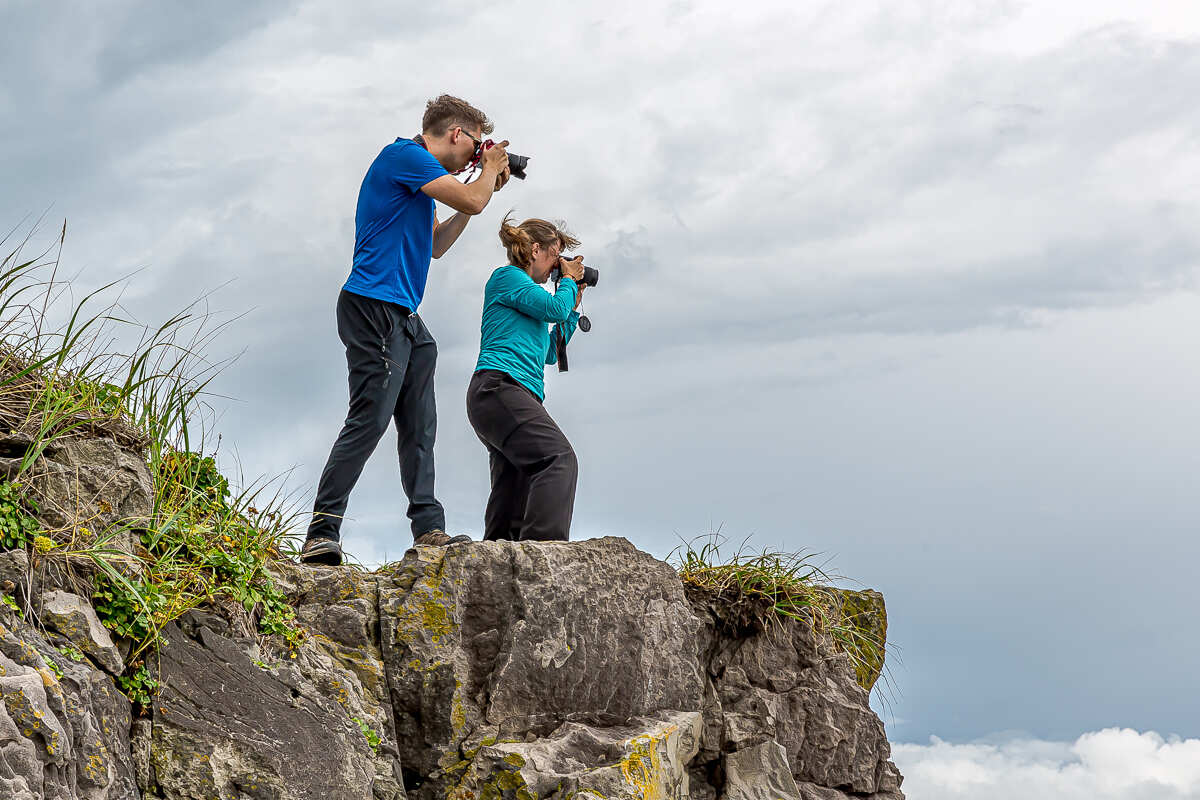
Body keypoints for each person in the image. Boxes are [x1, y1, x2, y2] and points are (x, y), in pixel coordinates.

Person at [301, 95, 511, 567]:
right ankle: (322, 530)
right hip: (372, 304)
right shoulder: (405, 155)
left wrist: (485, 188)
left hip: (404, 315)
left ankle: (429, 530)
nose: (476, 155)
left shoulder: (421, 178)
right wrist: (487, 175)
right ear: (456, 133)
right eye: (475, 144)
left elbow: (436, 245)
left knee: (420, 426)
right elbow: (473, 199)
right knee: (371, 417)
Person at [465, 216, 587, 542]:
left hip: (508, 394)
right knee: (558, 460)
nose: (556, 267)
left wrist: (572, 306)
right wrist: (568, 283)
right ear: (535, 249)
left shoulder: (528, 294)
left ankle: (498, 555)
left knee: (515, 482)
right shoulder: (508, 278)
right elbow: (553, 309)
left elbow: (550, 353)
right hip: (500, 387)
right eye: (555, 255)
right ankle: (545, 552)